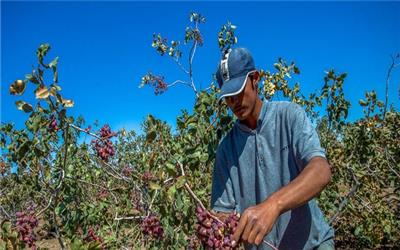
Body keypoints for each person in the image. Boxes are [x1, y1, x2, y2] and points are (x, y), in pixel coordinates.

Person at [211, 47, 335, 250]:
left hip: (313, 245)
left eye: (238, 90)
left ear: (255, 79)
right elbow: (222, 214)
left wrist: (273, 205)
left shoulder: (289, 116)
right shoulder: (226, 149)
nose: (234, 102)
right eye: (228, 96)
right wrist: (218, 229)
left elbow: (321, 171)